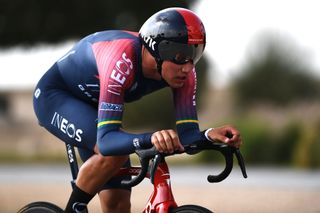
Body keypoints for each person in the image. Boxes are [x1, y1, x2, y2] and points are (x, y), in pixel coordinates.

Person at [33, 7, 242, 213]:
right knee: (113, 154)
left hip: (95, 106)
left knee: (117, 205)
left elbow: (187, 137)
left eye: (194, 54)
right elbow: (106, 142)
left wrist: (209, 135)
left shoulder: (184, 73)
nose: (188, 67)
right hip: (56, 97)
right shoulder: (120, 60)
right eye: (180, 55)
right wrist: (152, 138)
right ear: (158, 50)